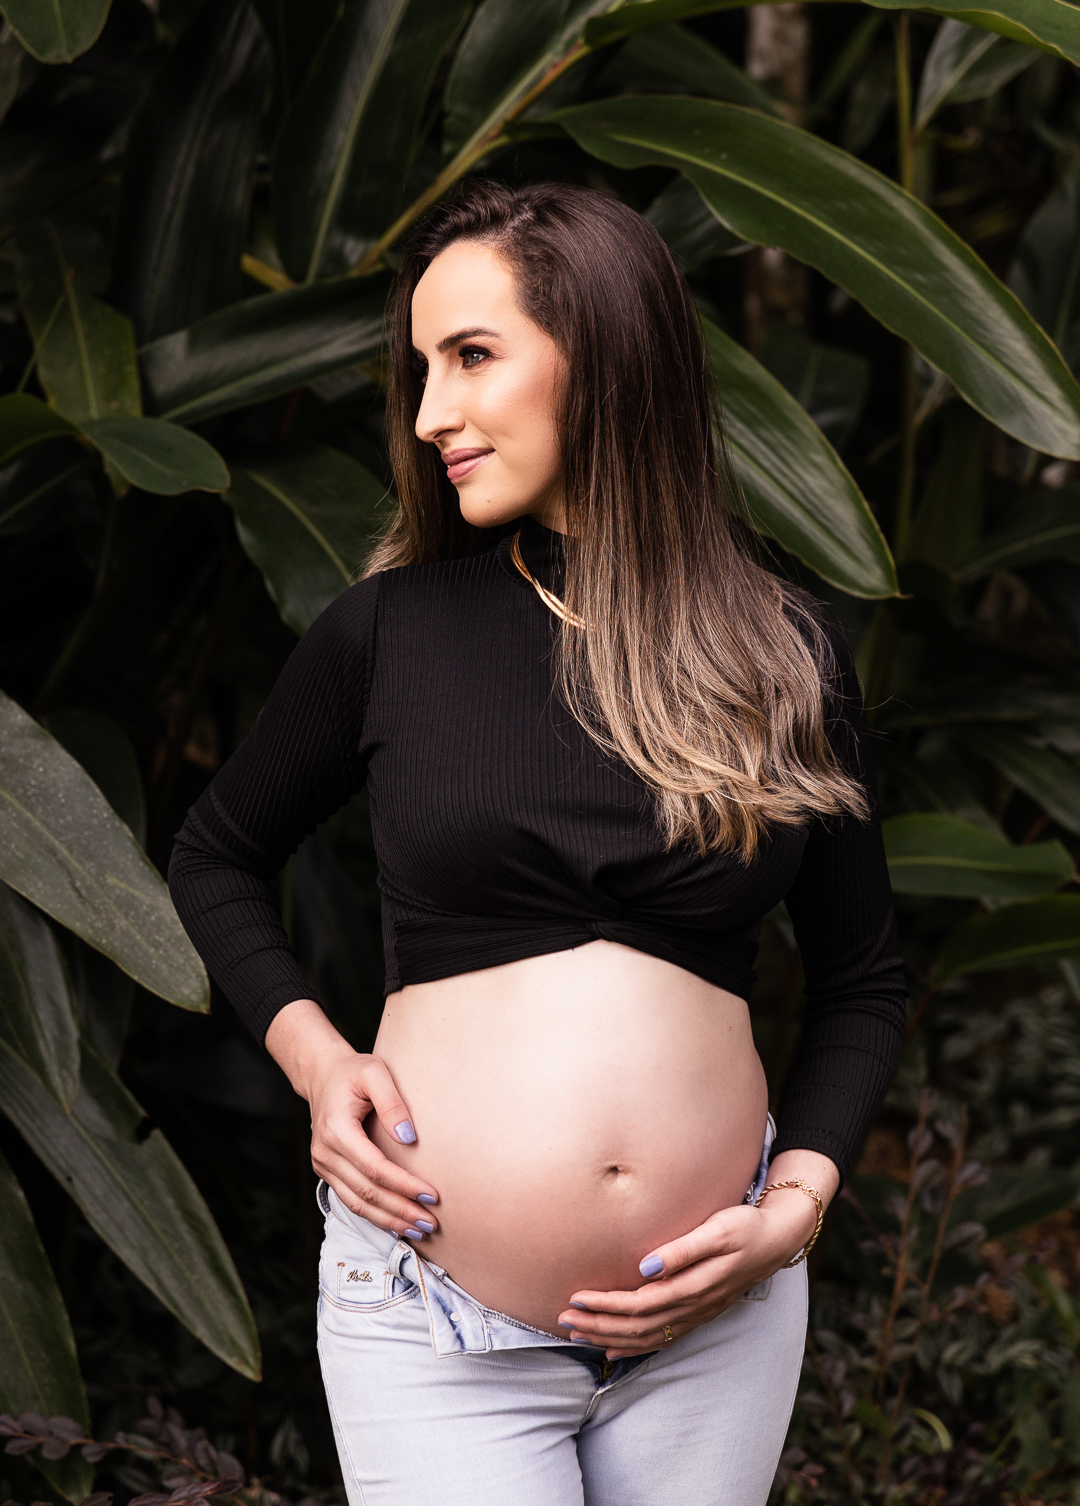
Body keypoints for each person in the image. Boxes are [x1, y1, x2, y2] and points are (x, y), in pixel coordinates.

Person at [168, 180, 907, 1506]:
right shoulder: (389, 633)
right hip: (436, 1316)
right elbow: (214, 855)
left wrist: (792, 1212)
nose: (429, 413)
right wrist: (320, 1063)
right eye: (421, 369)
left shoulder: (781, 652)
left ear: (605, 356)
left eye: (472, 356)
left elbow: (863, 976)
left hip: (716, 1330)